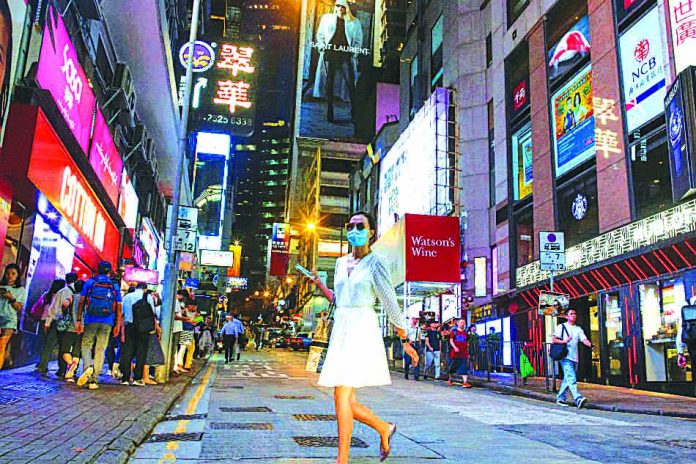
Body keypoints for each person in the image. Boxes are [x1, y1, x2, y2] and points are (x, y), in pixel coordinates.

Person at [303, 211, 418, 464]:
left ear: (371, 232)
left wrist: (404, 338)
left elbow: (389, 300)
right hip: (342, 326)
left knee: (342, 396)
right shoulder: (340, 263)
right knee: (343, 398)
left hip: (361, 328)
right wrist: (320, 286)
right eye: (350, 226)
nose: (353, 230)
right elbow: (339, 299)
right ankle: (384, 427)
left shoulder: (377, 262)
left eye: (360, 226)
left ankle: (342, 459)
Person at [312, 0, 363, 126]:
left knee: (350, 83)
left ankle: (355, 112)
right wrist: (322, 46)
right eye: (338, 6)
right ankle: (330, 110)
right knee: (329, 82)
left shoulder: (354, 23)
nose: (340, 8)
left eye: (342, 6)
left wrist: (353, 52)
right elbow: (320, 36)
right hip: (330, 54)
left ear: (347, 8)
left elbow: (358, 41)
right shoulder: (327, 18)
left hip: (346, 55)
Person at [76, 261, 123, 390]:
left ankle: (87, 368)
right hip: (107, 321)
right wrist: (117, 324)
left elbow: (81, 302)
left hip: (91, 319)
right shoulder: (114, 285)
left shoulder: (90, 282)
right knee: (100, 349)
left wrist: (79, 320)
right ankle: (94, 379)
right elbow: (119, 307)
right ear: (109, 271)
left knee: (86, 345)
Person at [553, 308, 592, 409]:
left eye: (575, 314)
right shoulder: (561, 327)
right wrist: (564, 341)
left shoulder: (578, 329)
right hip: (565, 356)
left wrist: (590, 345)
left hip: (575, 357)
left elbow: (584, 339)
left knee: (567, 379)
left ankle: (560, 398)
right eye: (571, 314)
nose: (574, 315)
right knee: (571, 378)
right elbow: (554, 340)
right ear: (566, 316)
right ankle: (577, 398)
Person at [119, 282, 156, 386]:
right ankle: (137, 378)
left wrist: (121, 331)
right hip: (143, 328)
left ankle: (125, 378)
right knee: (141, 353)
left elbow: (122, 314)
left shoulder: (127, 297)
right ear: (145, 288)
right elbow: (152, 313)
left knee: (127, 352)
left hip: (129, 327)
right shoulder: (148, 297)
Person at [36, 278, 70, 375]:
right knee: (54, 345)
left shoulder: (47, 294)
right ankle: (45, 365)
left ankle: (42, 364)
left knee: (45, 344)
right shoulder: (61, 294)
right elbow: (54, 311)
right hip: (53, 320)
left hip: (43, 320)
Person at [58, 280, 84, 381]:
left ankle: (70, 364)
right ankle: (72, 372)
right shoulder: (86, 299)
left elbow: (64, 304)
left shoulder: (73, 296)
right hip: (82, 329)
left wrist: (65, 310)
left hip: (70, 328)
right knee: (76, 352)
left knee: (65, 350)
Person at [0, 264, 25, 370]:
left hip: (9, 320)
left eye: (13, 274)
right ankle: (7, 360)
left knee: (1, 345)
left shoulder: (20, 290)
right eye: (8, 273)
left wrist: (11, 298)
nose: (10, 276)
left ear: (17, 276)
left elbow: (19, 308)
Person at [448, 318, 471, 388]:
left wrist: (468, 351)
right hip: (454, 353)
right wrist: (455, 347)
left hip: (463, 353)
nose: (463, 324)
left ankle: (465, 382)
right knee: (452, 367)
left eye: (464, 322)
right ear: (457, 323)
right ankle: (450, 379)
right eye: (461, 322)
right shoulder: (453, 332)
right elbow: (451, 341)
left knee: (464, 367)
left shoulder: (466, 332)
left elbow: (467, 342)